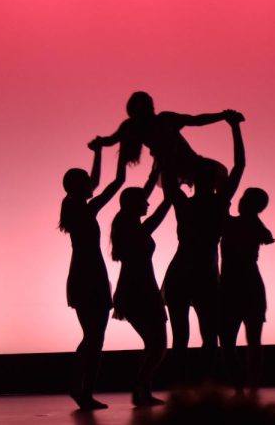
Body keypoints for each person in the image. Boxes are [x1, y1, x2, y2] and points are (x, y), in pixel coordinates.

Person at [161, 112, 245, 383]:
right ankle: (205, 382)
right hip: (204, 274)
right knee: (209, 335)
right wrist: (234, 128)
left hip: (181, 271)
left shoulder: (184, 204)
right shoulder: (220, 203)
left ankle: (180, 384)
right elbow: (239, 165)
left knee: (181, 337)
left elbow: (168, 174)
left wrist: (168, 144)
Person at [58, 141, 125, 410]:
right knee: (95, 338)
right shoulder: (84, 209)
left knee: (92, 337)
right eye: (86, 181)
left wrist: (98, 152)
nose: (91, 183)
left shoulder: (74, 206)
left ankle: (80, 388)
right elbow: (114, 183)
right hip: (90, 275)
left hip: (85, 273)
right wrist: (123, 154)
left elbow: (96, 181)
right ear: (78, 187)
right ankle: (82, 390)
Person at [89, 91, 242, 188]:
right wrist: (223, 116)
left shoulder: (147, 123)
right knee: (219, 180)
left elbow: (197, 120)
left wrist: (222, 116)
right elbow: (196, 120)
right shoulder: (159, 120)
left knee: (178, 197)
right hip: (176, 165)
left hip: (176, 166)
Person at [109, 166, 171, 407]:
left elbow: (144, 194)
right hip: (140, 290)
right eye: (143, 202)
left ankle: (142, 390)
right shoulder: (134, 228)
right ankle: (140, 389)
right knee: (157, 345)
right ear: (136, 205)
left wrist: (157, 171)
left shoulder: (127, 221)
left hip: (138, 289)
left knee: (154, 344)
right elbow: (158, 214)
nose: (147, 204)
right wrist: (170, 195)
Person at [219, 187, 275, 397]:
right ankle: (251, 386)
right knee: (253, 340)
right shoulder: (256, 226)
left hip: (231, 287)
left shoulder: (231, 224)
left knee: (227, 341)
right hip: (252, 285)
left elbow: (222, 204)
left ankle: (240, 386)